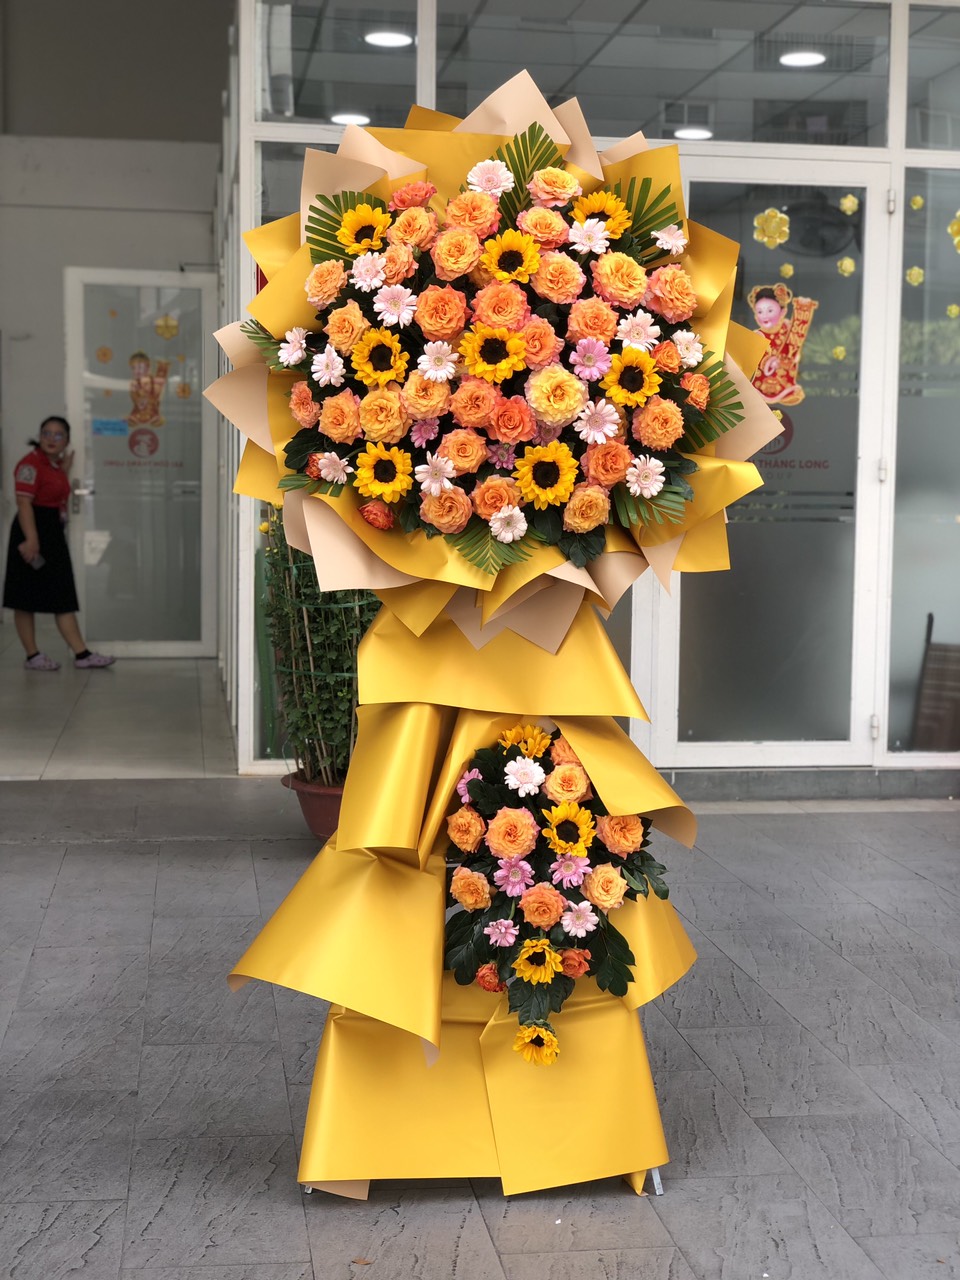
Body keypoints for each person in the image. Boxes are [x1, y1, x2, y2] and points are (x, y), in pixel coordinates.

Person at [2, 415, 115, 671]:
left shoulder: (53, 466)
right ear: (39, 436)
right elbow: (24, 503)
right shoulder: (29, 464)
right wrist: (32, 539)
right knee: (23, 597)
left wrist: (63, 470)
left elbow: (51, 492)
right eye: (46, 433)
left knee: (62, 592)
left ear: (66, 440)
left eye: (58, 435)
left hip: (51, 532)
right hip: (32, 530)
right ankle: (33, 656)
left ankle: (82, 654)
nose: (51, 439)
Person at [747, 284, 818, 406]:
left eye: (770, 310)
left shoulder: (788, 328)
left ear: (783, 312)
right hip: (762, 384)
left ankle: (787, 393)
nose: (764, 315)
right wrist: (769, 362)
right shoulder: (758, 336)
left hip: (786, 383)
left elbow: (797, 336)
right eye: (760, 311)